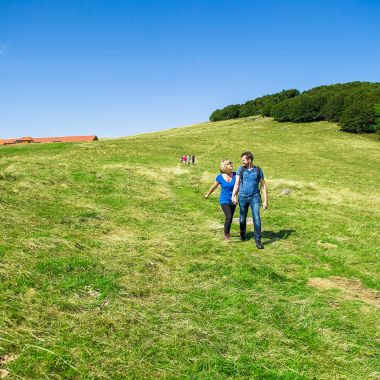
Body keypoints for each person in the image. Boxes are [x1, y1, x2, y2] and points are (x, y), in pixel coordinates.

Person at [232, 151, 267, 249]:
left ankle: (258, 240)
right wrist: (234, 195)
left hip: (255, 197)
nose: (242, 162)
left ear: (249, 160)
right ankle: (242, 233)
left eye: (243, 160)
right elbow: (237, 183)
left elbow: (263, 185)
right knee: (242, 218)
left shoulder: (258, 170)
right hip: (242, 197)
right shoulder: (240, 169)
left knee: (256, 218)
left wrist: (265, 201)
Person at [205, 160, 237, 240]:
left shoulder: (236, 175)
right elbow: (214, 186)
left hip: (233, 200)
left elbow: (239, 186)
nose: (231, 164)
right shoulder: (219, 177)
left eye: (231, 163)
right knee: (228, 216)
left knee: (230, 217)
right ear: (224, 166)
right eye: (229, 163)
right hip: (224, 200)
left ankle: (228, 232)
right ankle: (226, 235)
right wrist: (208, 194)